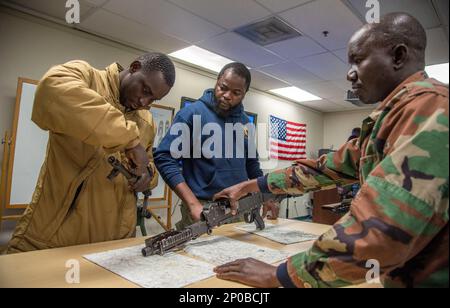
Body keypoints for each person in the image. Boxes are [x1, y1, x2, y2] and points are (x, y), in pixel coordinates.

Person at [213, 13, 449, 288]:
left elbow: (378, 235)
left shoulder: (431, 111)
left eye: (358, 60)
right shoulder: (393, 116)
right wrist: (253, 185)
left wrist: (280, 275)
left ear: (398, 56)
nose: (349, 73)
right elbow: (327, 167)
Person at [7, 53, 176, 253]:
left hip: (113, 243)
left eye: (152, 99)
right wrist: (129, 140)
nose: (143, 101)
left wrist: (147, 176)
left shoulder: (146, 121)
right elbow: (50, 91)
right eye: (145, 89)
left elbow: (148, 164)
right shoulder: (87, 78)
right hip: (52, 238)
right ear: (134, 67)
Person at [154, 63, 276, 230]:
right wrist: (192, 203)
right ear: (217, 81)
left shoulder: (245, 123)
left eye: (236, 93)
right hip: (204, 209)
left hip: (239, 208)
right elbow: (164, 157)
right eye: (223, 88)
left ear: (244, 94)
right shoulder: (192, 114)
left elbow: (252, 165)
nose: (227, 95)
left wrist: (266, 195)